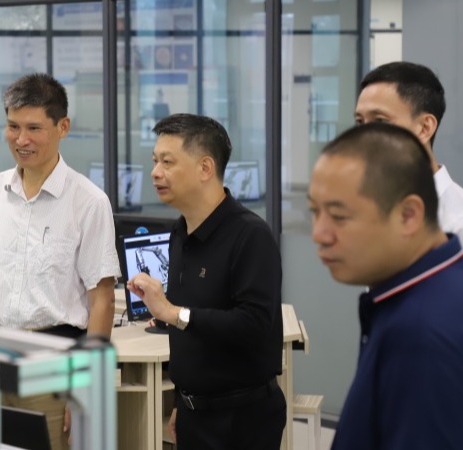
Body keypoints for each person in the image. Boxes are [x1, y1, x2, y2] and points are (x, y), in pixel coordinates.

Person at [0, 73, 121, 450]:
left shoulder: (88, 202)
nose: (21, 139)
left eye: (33, 128)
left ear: (63, 127)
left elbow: (102, 301)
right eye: (13, 126)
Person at [126, 114, 285, 450]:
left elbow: (254, 325)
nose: (155, 172)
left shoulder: (250, 235)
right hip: (193, 412)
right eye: (154, 161)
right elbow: (193, 334)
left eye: (167, 162)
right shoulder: (179, 232)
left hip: (242, 419)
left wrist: (172, 313)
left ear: (205, 168)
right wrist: (182, 401)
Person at [308, 122, 463, 449]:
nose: (319, 234)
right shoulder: (437, 287)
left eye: (339, 216)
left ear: (408, 215)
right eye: (315, 211)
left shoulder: (420, 334)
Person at [356, 61, 463, 238]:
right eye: (360, 122)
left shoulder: (457, 223)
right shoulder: (362, 207)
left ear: (425, 128)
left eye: (380, 121)